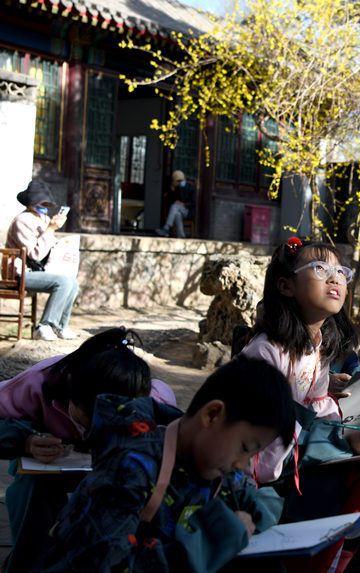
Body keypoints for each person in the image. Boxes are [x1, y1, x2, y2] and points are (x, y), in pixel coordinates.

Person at [44, 355, 295, 572]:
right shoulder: (130, 467)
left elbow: (246, 494)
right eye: (245, 449)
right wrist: (208, 544)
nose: (243, 464)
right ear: (212, 415)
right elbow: (103, 563)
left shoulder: (216, 467)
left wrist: (260, 510)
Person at [241, 237, 360, 573]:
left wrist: (350, 433)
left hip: (295, 465)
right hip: (258, 481)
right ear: (286, 285)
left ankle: (343, 559)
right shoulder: (265, 354)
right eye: (320, 268)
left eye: (341, 271)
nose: (335, 277)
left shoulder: (315, 348)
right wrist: (340, 442)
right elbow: (263, 459)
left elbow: (320, 409)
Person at [0, 327, 176, 573]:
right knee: (31, 490)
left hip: (115, 472)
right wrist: (25, 440)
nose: (94, 430)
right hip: (48, 471)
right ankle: (29, 563)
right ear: (70, 388)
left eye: (109, 422)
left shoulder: (153, 401)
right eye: (87, 419)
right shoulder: (38, 382)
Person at [5, 180, 78, 341]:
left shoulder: (43, 219)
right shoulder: (22, 220)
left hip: (38, 270)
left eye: (46, 202)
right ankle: (44, 326)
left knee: (73, 282)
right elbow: (34, 254)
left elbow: (47, 247)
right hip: (21, 272)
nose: (44, 205)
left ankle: (60, 326)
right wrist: (51, 229)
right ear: (31, 202)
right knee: (63, 283)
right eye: (40, 202)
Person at [156, 170, 196, 238]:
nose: (180, 182)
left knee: (174, 207)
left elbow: (193, 203)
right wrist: (172, 190)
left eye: (181, 180)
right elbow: (169, 201)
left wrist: (183, 204)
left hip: (188, 211)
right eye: (178, 181)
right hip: (178, 210)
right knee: (177, 214)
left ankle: (166, 227)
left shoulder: (191, 188)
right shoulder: (177, 189)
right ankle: (181, 236)